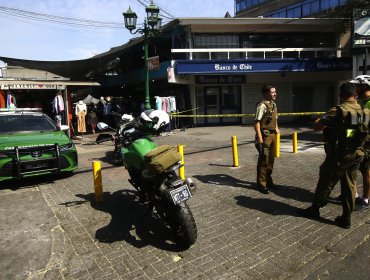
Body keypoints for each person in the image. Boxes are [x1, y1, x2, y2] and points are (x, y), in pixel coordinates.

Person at [298, 82, 369, 228]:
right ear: (355, 94)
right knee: (349, 185)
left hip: (339, 154)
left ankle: (315, 209)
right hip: (357, 152)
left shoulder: (338, 110)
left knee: (326, 180)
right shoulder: (365, 110)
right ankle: (346, 217)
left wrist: (322, 119)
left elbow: (318, 125)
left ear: (341, 95)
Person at [254, 84, 279, 194]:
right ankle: (261, 184)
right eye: (272, 92)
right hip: (264, 136)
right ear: (266, 93)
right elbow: (256, 123)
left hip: (273, 135)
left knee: (271, 160)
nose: (275, 94)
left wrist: (277, 128)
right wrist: (259, 137)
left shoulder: (273, 104)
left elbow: (275, 118)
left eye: (275, 92)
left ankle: (268, 180)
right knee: (264, 160)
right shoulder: (262, 106)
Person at [350, 75, 370, 210]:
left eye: (357, 86)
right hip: (358, 142)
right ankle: (354, 195)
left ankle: (366, 199)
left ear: (364, 87)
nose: (355, 88)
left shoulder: (368, 103)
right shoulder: (361, 101)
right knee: (353, 170)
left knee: (366, 171)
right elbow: (356, 125)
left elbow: (365, 125)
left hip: (367, 144)